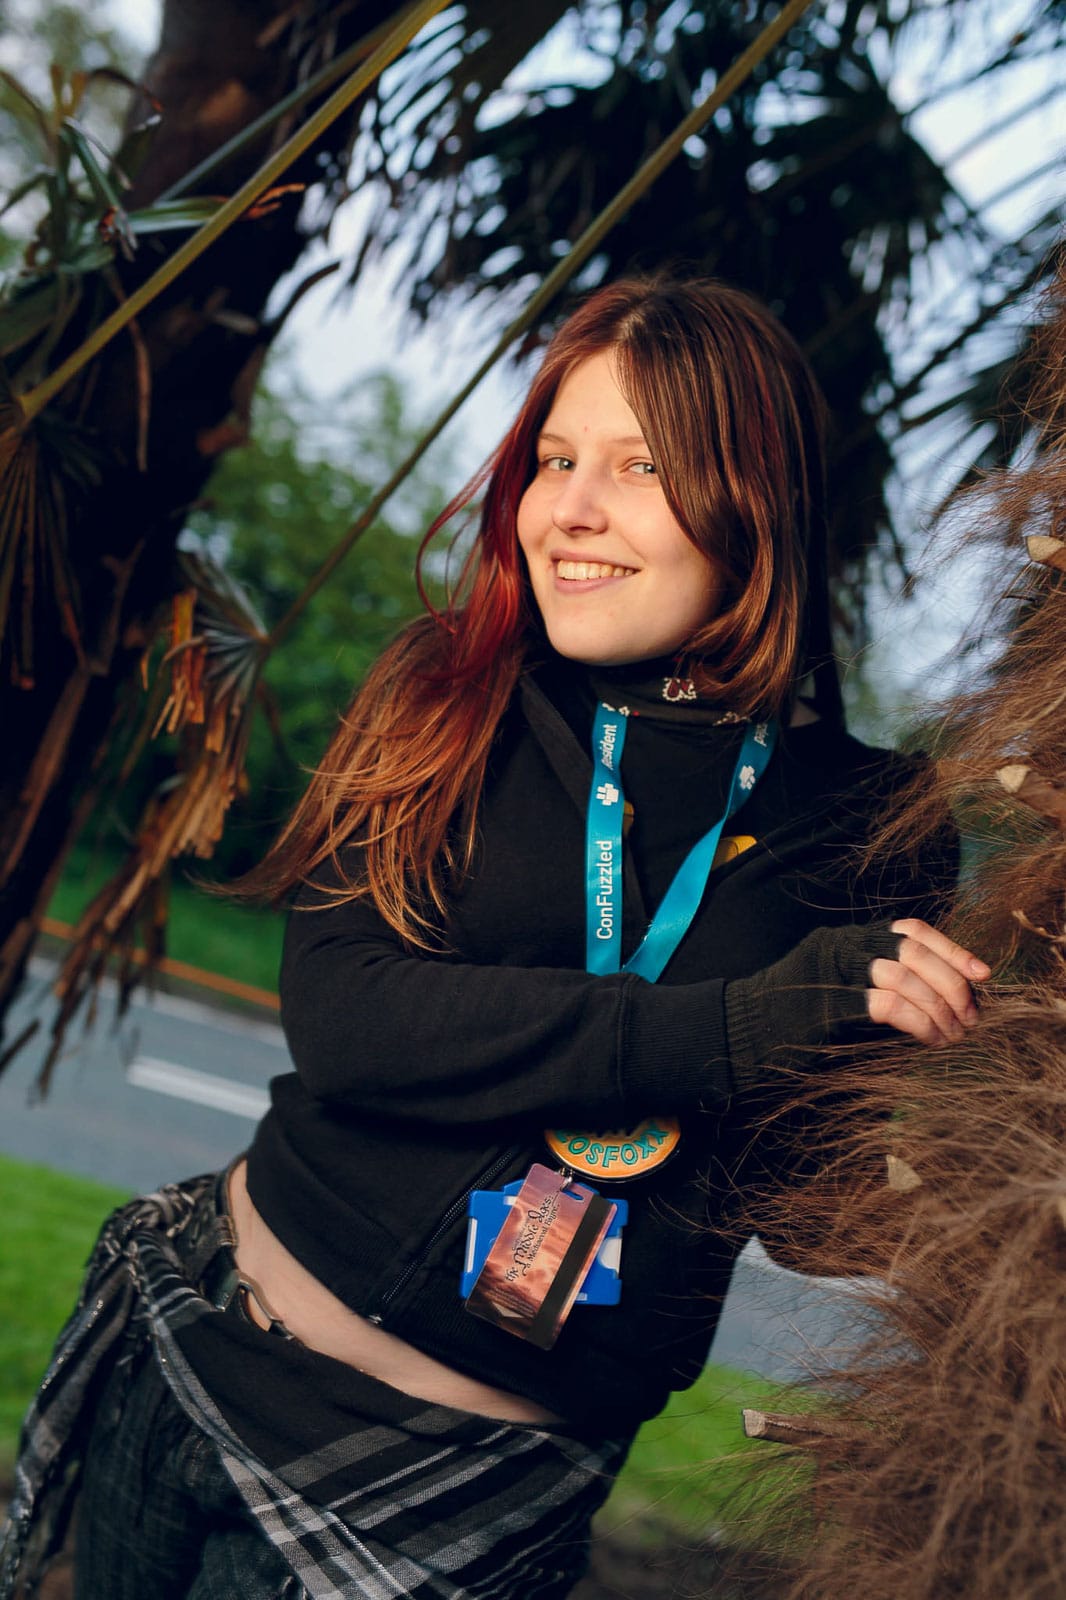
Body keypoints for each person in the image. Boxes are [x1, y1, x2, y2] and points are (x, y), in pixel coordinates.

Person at [1, 276, 989, 1600]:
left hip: (446, 1504)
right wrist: (733, 1025)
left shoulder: (877, 823)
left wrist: (977, 1149)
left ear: (758, 501)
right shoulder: (447, 689)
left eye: (639, 467)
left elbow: (804, 1206)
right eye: (556, 459)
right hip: (195, 1346)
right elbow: (347, 1019)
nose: (568, 508)